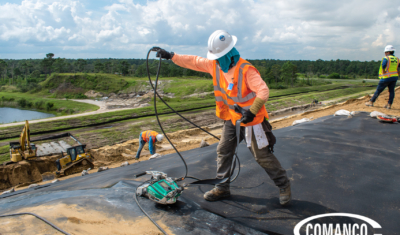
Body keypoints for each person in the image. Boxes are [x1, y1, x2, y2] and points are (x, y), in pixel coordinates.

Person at [155, 30, 291, 205]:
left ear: (228, 53)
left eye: (219, 56)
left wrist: (252, 111)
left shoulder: (246, 69)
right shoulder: (214, 65)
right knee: (224, 150)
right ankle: (222, 188)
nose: (216, 60)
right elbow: (194, 61)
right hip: (232, 119)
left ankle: (283, 185)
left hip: (252, 121)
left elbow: (263, 91)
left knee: (262, 156)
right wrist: (171, 56)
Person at [365, 45, 399, 109]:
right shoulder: (397, 59)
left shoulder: (386, 58)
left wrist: (384, 71)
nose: (385, 53)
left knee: (378, 90)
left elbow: (383, 65)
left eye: (385, 52)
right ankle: (389, 105)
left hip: (386, 78)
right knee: (391, 91)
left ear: (388, 52)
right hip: (394, 78)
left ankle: (371, 102)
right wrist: (397, 73)